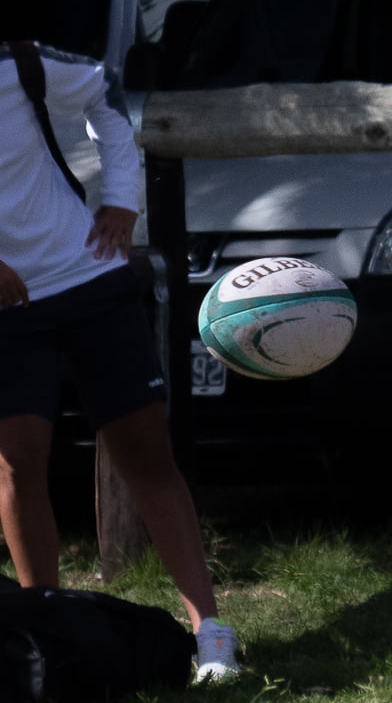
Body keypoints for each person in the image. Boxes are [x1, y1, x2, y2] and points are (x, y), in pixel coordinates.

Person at [0, 41, 239, 683]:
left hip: (87, 281)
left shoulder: (21, 63)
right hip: (7, 312)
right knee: (19, 460)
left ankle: (212, 637)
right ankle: (41, 634)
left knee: (145, 453)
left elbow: (105, 95)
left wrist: (123, 200)